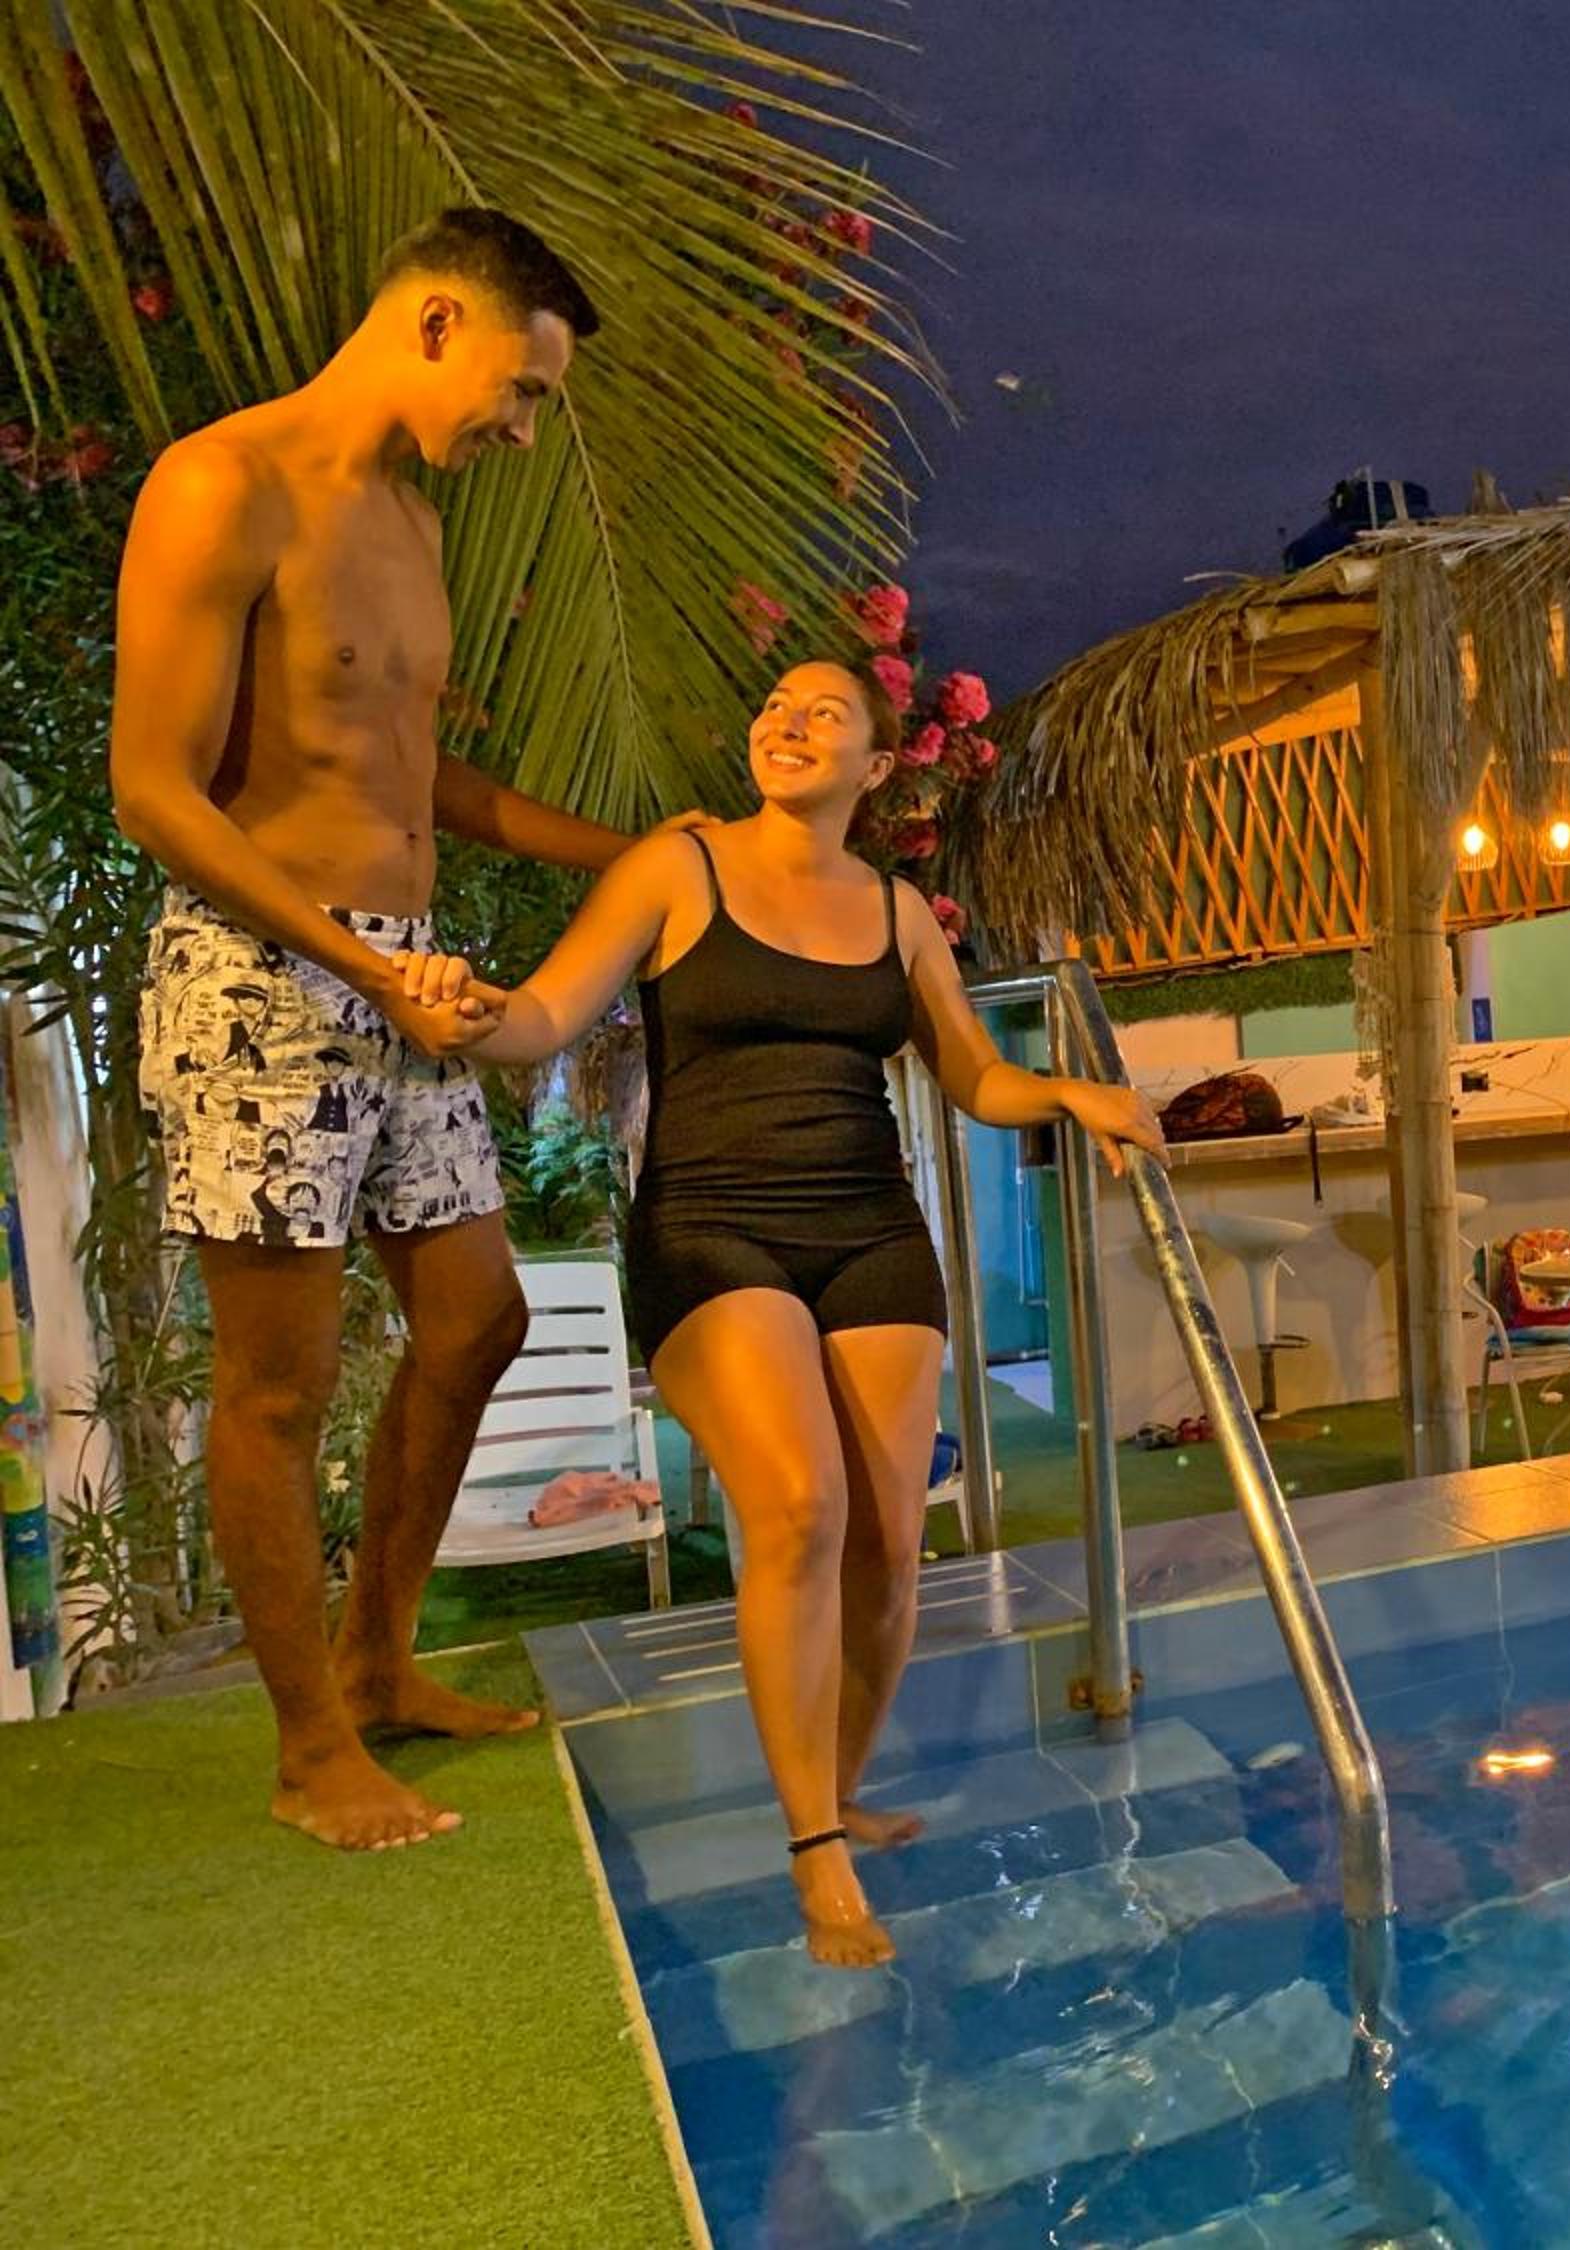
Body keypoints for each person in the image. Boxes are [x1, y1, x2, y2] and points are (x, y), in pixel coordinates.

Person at [110, 208, 681, 1852]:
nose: (524, 431)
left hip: (402, 972)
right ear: (437, 322)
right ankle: (309, 1749)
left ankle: (377, 1659)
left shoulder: (412, 520)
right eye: (524, 388)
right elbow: (152, 787)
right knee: (276, 1383)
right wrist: (358, 968)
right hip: (259, 977)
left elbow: (421, 770)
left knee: (478, 1317)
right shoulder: (222, 483)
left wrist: (642, 852)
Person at [450, 659, 1162, 1965]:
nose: (788, 720)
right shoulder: (679, 868)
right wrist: (481, 1016)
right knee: (797, 1506)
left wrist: (1071, 1093)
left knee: (889, 1540)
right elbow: (546, 1010)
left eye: (824, 711)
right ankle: (814, 1845)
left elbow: (975, 1075)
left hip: (871, 1229)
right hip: (711, 1227)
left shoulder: (898, 912)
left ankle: (836, 1788)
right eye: (776, 704)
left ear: (877, 766)